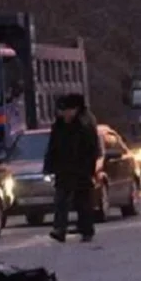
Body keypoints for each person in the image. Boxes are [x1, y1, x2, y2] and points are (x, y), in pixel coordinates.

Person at [43, 93, 101, 243]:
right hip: (63, 168)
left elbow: (92, 149)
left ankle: (86, 229)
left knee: (82, 201)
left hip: (81, 168)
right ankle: (59, 229)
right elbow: (53, 147)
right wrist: (49, 166)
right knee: (61, 200)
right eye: (62, 111)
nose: (64, 114)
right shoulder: (59, 126)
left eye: (67, 110)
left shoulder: (85, 124)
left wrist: (90, 169)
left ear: (75, 110)